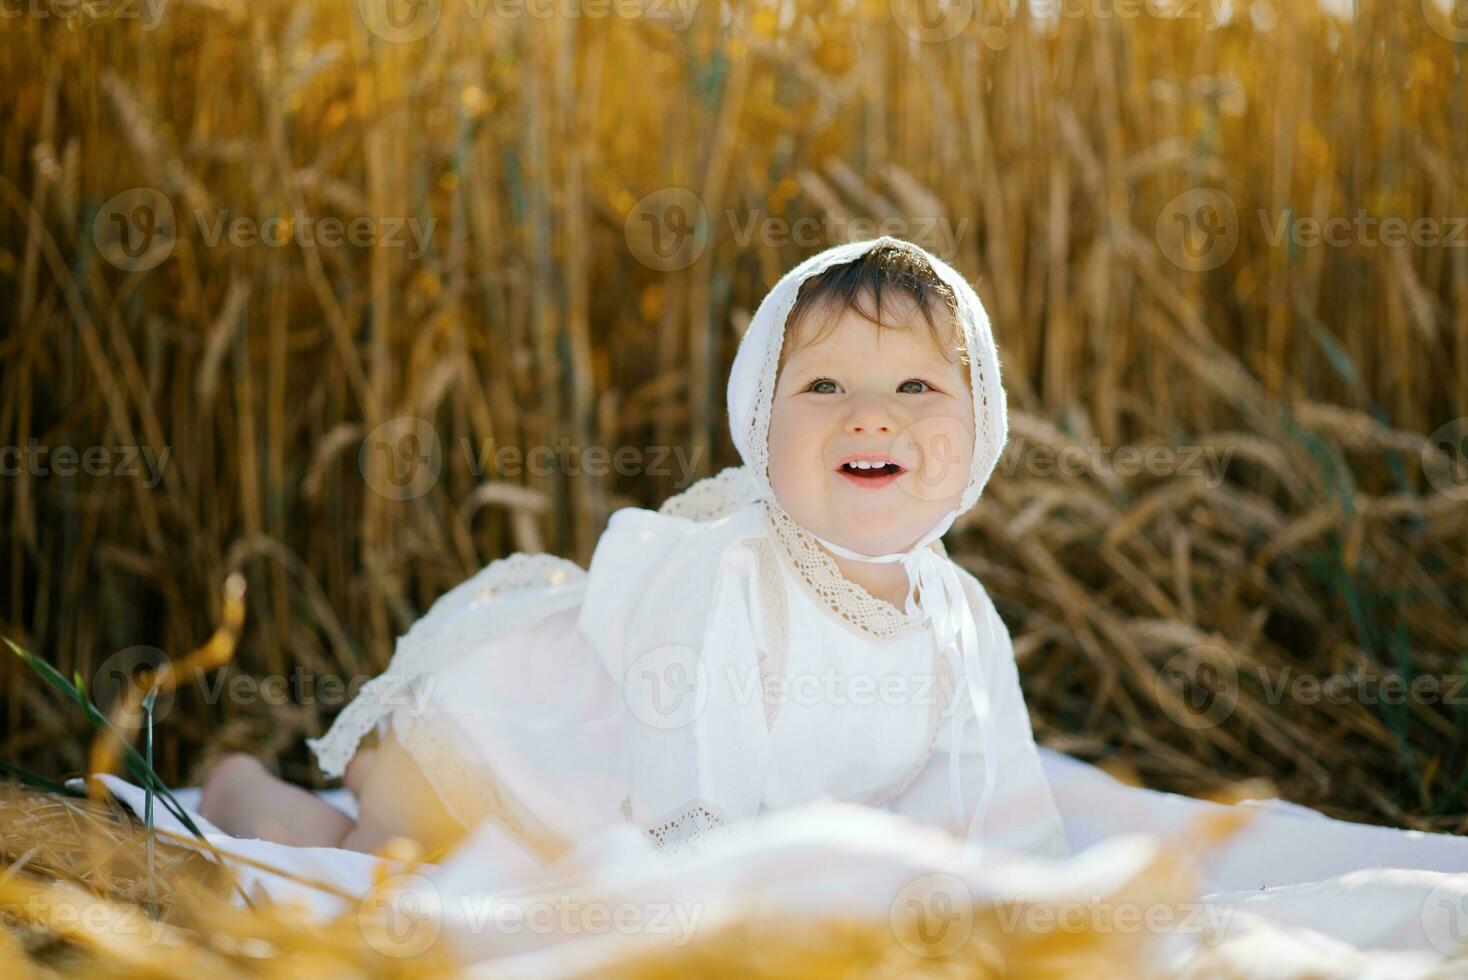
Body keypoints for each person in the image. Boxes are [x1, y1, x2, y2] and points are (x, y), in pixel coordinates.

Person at [198, 236, 1068, 866]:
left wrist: (1024, 904)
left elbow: (999, 801)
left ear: (982, 422)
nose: (872, 414)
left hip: (608, 816)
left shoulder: (960, 616)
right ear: (757, 431)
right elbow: (682, 789)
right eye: (823, 385)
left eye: (917, 385)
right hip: (506, 748)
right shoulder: (731, 577)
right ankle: (241, 789)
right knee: (384, 867)